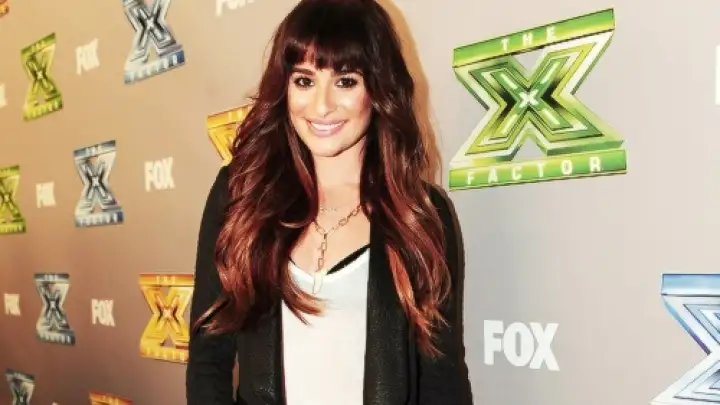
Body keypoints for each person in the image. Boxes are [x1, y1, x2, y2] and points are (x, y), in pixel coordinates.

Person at [185, 0, 473, 404]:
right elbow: (208, 357)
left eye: (345, 81)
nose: (321, 106)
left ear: (379, 89)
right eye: (304, 80)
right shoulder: (241, 194)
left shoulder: (420, 214)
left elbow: (442, 379)